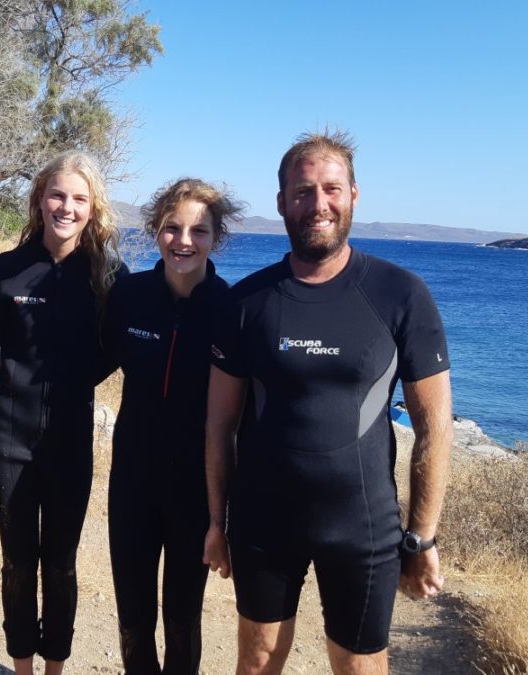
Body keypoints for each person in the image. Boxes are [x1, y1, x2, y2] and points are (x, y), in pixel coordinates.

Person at [203, 131, 453, 675]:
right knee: (258, 659)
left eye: (331, 189)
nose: (318, 204)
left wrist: (421, 536)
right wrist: (218, 523)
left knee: (358, 665)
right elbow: (219, 425)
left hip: (362, 525)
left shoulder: (401, 295)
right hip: (263, 521)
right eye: (303, 191)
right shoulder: (247, 303)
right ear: (281, 202)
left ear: (353, 195)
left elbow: (435, 427)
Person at [0, 151, 124, 675]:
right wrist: (15, 380)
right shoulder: (7, 269)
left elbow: (116, 347)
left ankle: (54, 669)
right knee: (18, 563)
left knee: (61, 565)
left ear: (92, 208)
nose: (67, 207)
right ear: (40, 199)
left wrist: (73, 382)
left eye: (79, 199)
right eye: (57, 195)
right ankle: (22, 667)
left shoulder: (108, 275)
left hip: (70, 441)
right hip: (10, 440)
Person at [102, 179, 242, 674]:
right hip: (132, 481)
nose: (183, 241)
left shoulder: (231, 308)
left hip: (195, 489)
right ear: (155, 231)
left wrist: (227, 513)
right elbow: (87, 361)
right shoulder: (129, 295)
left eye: (198, 231)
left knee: (183, 618)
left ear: (216, 238)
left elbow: (244, 411)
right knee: (133, 614)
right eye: (171, 228)